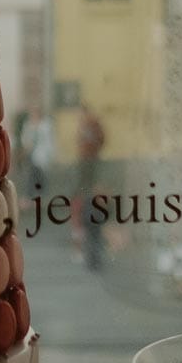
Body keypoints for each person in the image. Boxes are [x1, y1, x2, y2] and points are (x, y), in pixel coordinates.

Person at [74, 101, 107, 272]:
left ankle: (94, 260)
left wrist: (92, 148)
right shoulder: (84, 124)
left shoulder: (91, 123)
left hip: (90, 159)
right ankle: (92, 259)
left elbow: (99, 138)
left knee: (93, 228)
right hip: (86, 159)